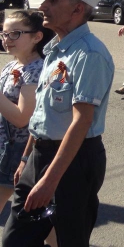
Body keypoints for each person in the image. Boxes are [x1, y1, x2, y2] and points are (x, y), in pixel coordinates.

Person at [3, 0, 113, 247]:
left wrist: (50, 181)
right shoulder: (55, 50)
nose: (43, 6)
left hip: (74, 162)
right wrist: (26, 158)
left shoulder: (89, 54)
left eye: (53, 0)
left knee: (69, 241)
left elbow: (81, 122)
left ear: (77, 9)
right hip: (39, 156)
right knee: (14, 241)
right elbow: (43, 112)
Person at [0, 12, 53, 221]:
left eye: (15, 34)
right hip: (6, 148)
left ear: (37, 37)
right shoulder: (12, 65)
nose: (7, 40)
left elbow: (22, 118)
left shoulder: (36, 69)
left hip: (18, 152)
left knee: (38, 217)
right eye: (4, 34)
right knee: (42, 221)